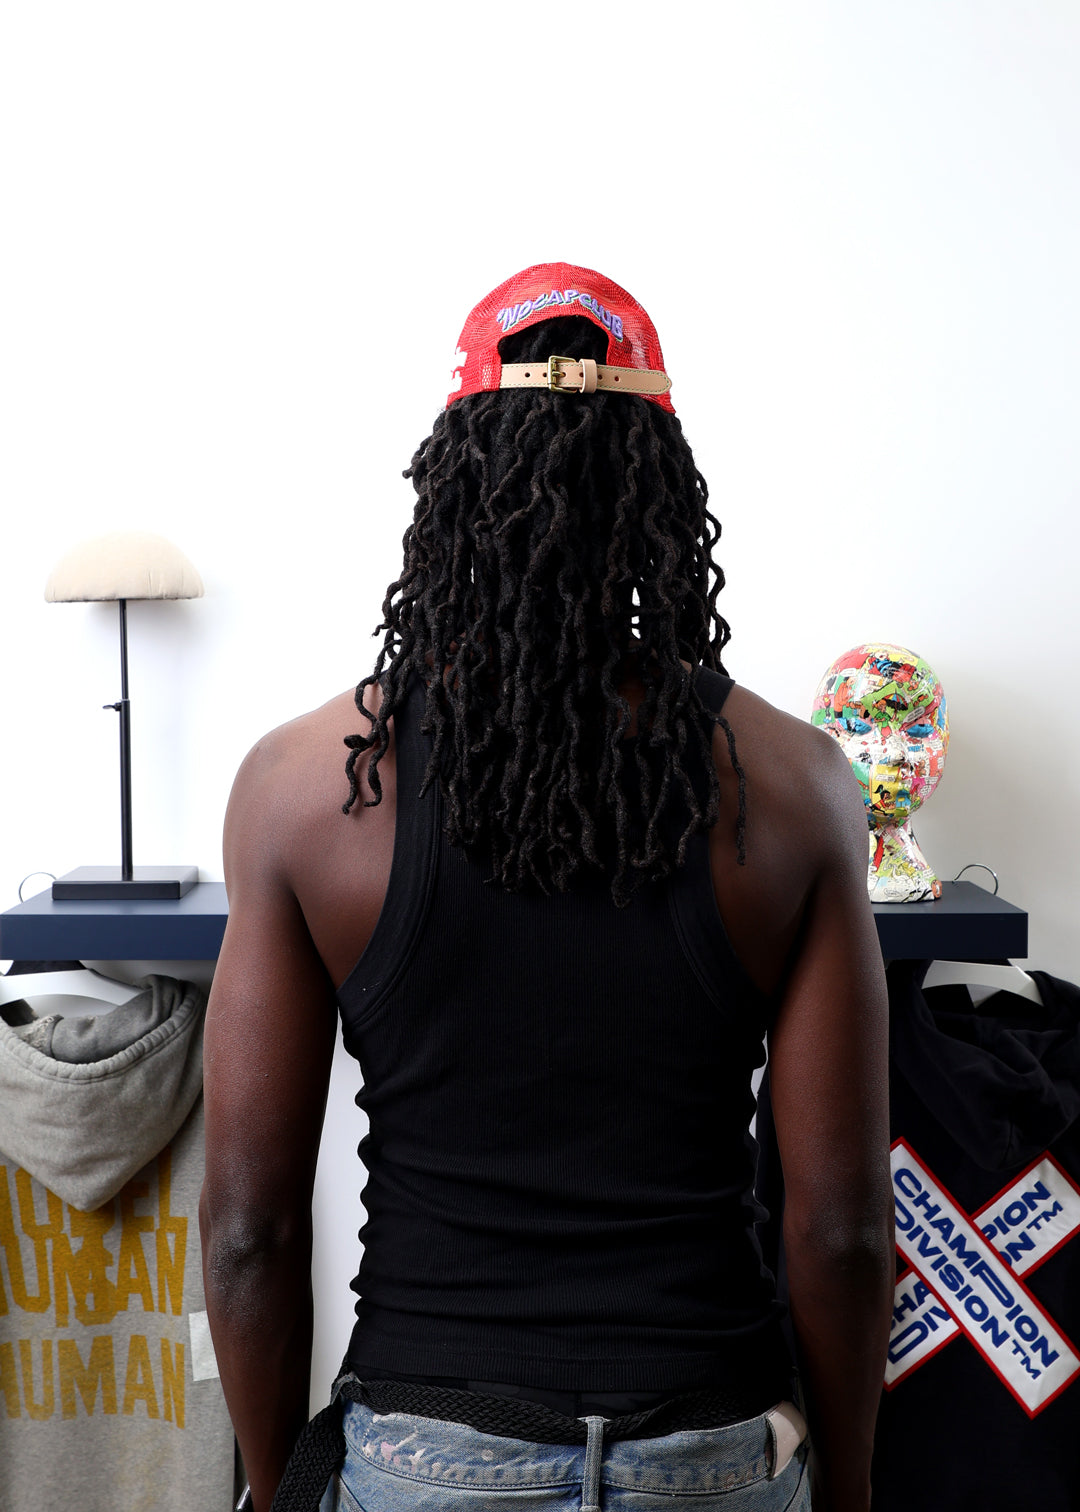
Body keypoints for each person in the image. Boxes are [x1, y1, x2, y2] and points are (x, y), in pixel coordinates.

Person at [200, 264, 893, 1512]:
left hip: (428, 1448)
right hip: (710, 1447)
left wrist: (272, 1493)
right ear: (659, 489)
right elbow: (839, 1230)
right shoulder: (797, 789)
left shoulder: (304, 791)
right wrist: (842, 1490)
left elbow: (249, 1228)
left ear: (454, 479)